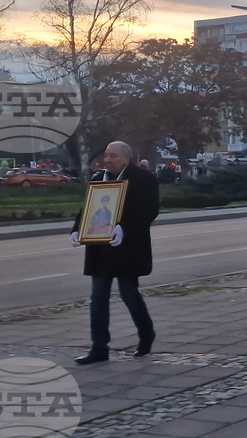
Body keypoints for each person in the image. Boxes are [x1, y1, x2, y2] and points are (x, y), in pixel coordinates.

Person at [71, 141, 159, 365]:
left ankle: (146, 333)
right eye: (106, 155)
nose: (107, 160)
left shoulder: (143, 178)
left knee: (129, 293)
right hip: (100, 249)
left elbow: (149, 210)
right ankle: (99, 348)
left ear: (126, 158)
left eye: (113, 156)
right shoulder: (98, 178)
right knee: (98, 298)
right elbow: (88, 208)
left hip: (128, 248)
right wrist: (77, 229)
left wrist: (124, 228)